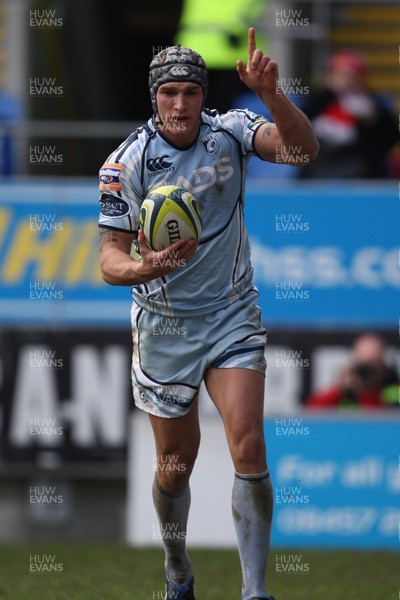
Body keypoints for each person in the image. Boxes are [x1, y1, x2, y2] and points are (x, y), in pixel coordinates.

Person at [98, 28, 319, 600]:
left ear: (203, 96)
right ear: (155, 97)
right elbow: (109, 260)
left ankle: (254, 590)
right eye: (169, 92)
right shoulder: (125, 164)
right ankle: (177, 570)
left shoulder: (231, 131)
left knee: (248, 443)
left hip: (230, 314)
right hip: (165, 325)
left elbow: (302, 151)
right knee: (176, 464)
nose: (180, 103)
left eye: (190, 92)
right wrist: (147, 268)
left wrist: (272, 96)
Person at [299, 49, 398, 179]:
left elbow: (391, 139)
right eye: (341, 74)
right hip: (319, 173)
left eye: (352, 75)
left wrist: (373, 121)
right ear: (330, 76)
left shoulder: (374, 104)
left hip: (363, 174)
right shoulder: (316, 100)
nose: (347, 80)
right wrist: (329, 94)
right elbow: (297, 127)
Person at [306, 333, 399, 409]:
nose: (368, 370)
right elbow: (312, 410)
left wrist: (368, 392)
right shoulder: (346, 391)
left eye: (374, 362)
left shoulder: (394, 388)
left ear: (383, 362)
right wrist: (340, 389)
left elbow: (379, 418)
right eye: (363, 363)